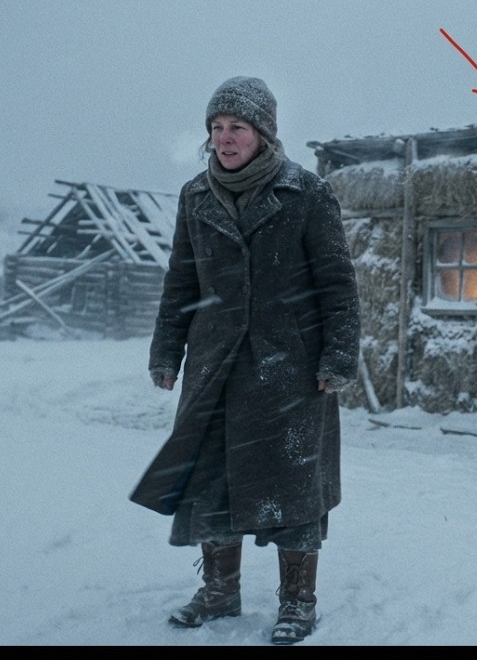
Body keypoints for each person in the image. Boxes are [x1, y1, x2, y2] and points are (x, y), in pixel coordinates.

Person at [129, 76, 360, 645]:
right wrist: (167, 350)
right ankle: (218, 590)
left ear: (263, 134)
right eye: (216, 128)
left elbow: (337, 283)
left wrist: (338, 355)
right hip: (215, 365)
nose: (224, 138)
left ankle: (297, 603)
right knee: (212, 479)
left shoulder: (305, 193)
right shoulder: (195, 196)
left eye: (236, 127)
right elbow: (182, 280)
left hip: (289, 366)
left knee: (293, 482)